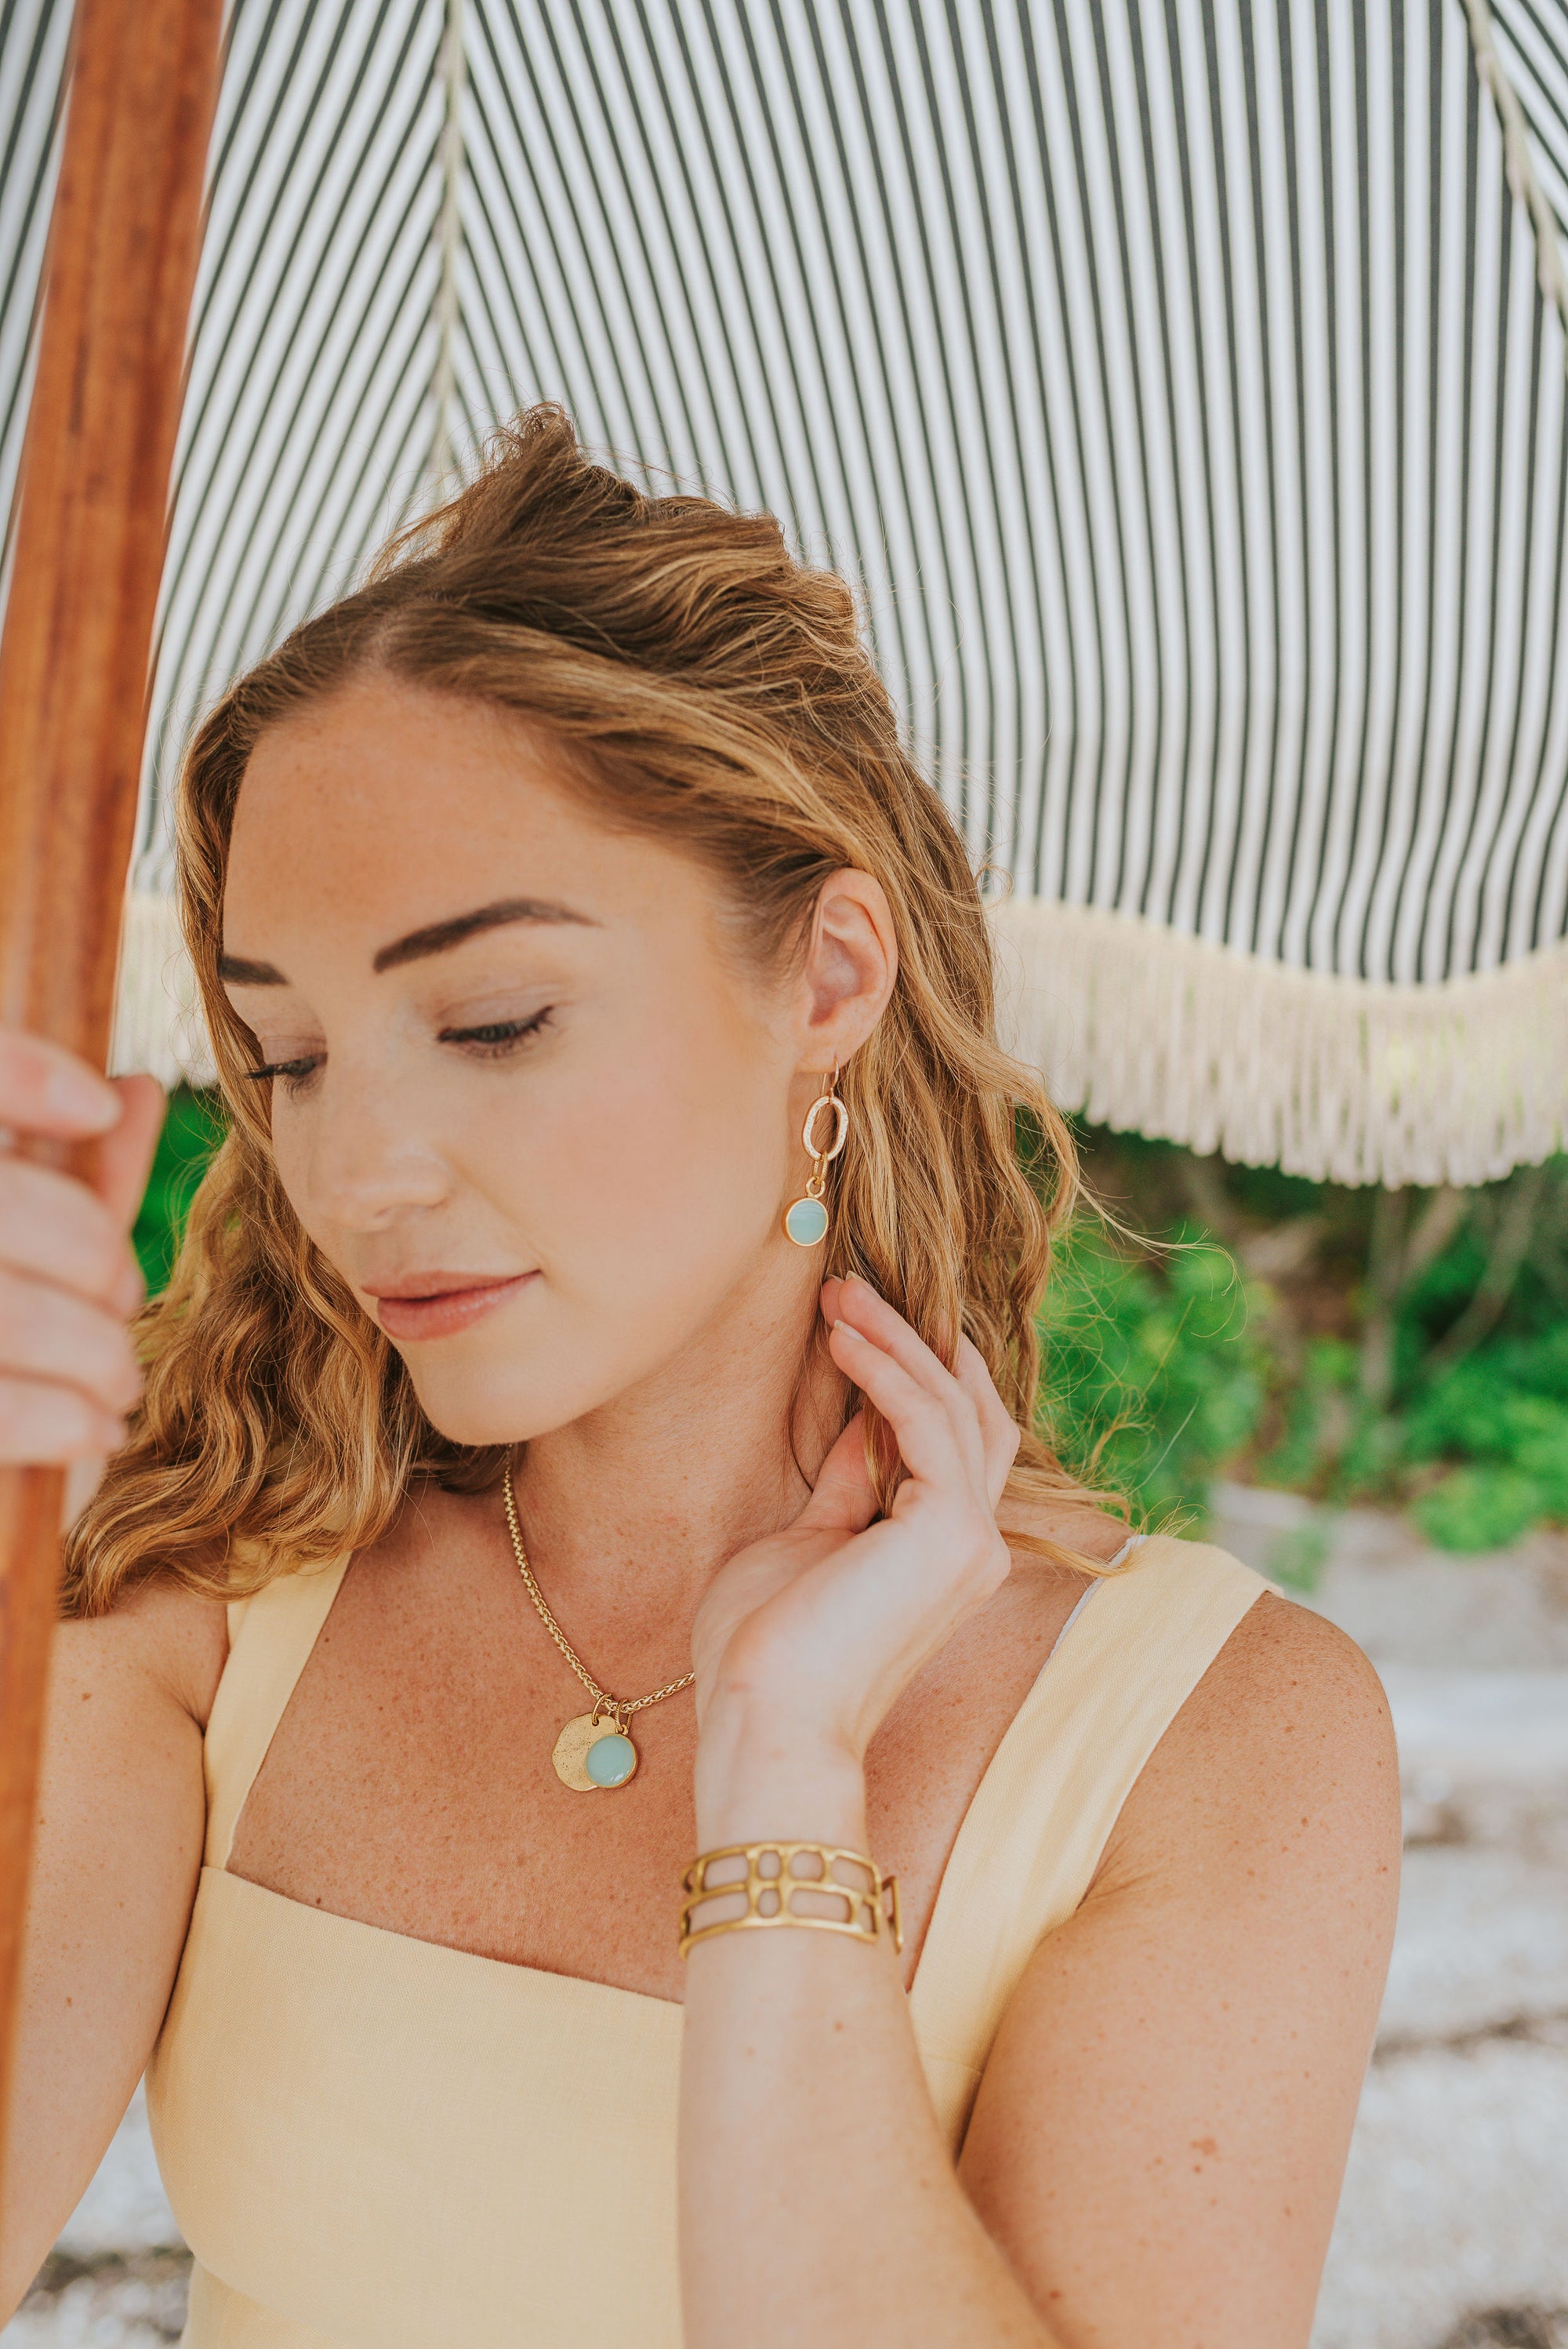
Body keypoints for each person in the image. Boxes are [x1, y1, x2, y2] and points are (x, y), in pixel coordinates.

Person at [0, 406, 1399, 2348]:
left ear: (827, 980)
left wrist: (786, 1792)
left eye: (490, 1021)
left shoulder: (1219, 1741)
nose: (353, 1172)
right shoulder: (200, 1595)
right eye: (291, 1056)